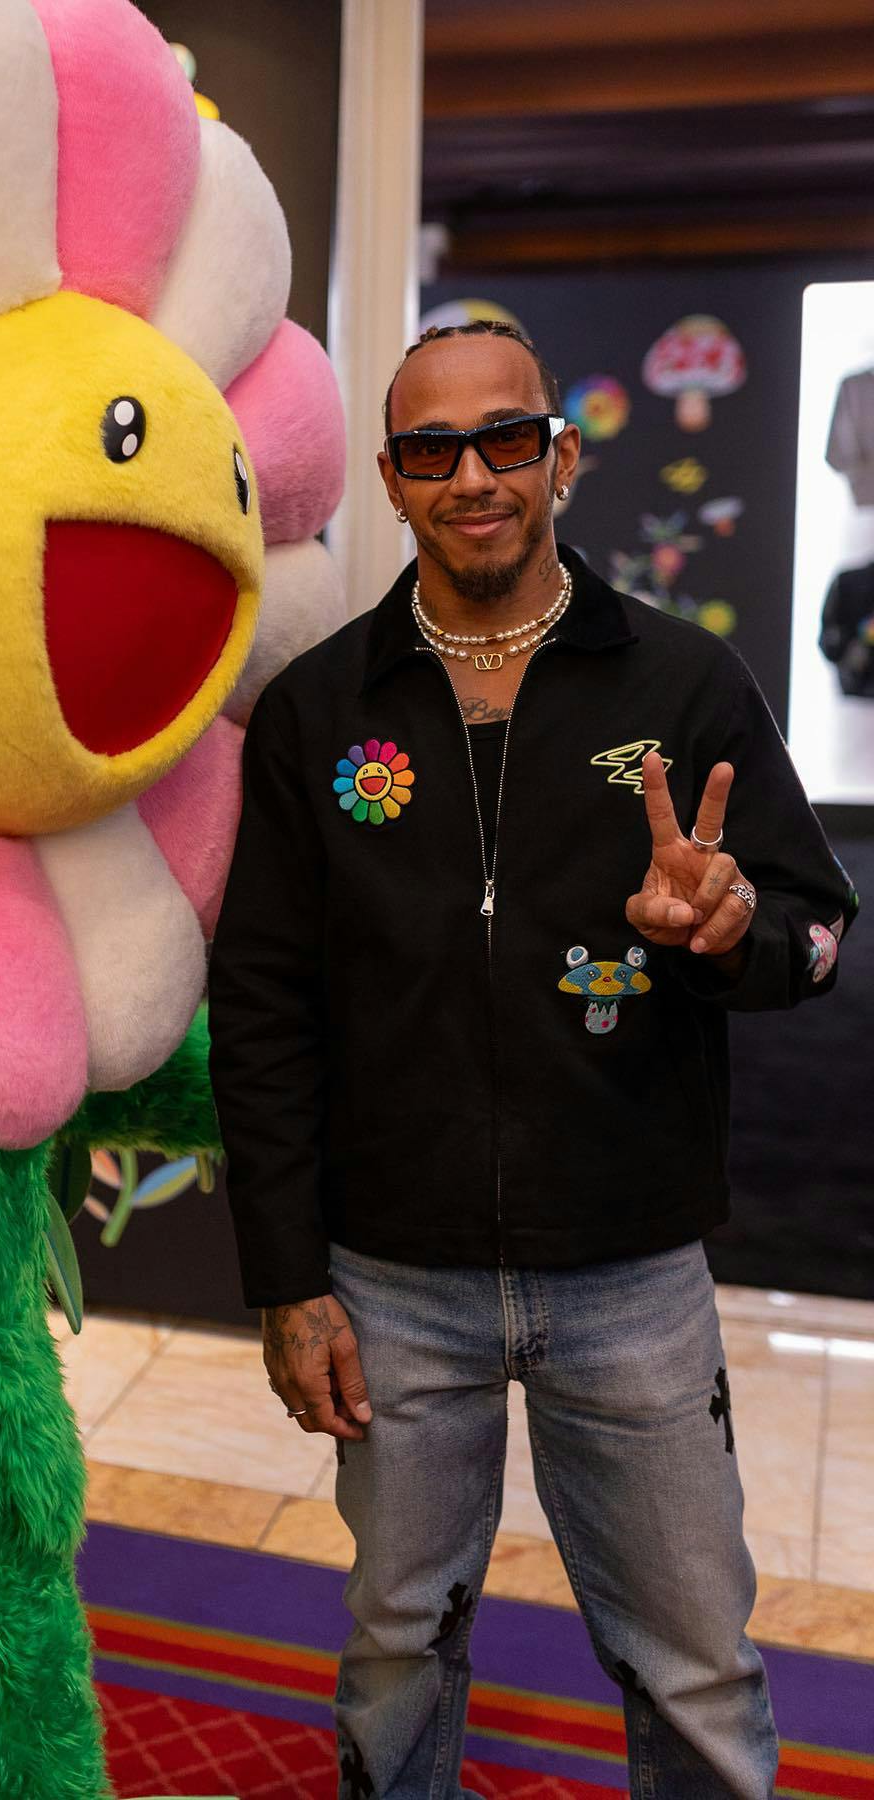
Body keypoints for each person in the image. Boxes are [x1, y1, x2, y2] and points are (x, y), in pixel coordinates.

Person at [207, 319, 859, 1800]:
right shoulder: (318, 711)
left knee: (697, 1656)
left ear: (560, 454)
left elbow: (815, 928)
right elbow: (260, 1006)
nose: (474, 477)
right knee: (395, 1646)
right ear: (392, 477)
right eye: (434, 451)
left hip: (629, 1269)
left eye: (506, 439)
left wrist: (733, 927)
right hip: (390, 1279)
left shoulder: (683, 688)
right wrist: (286, 1276)